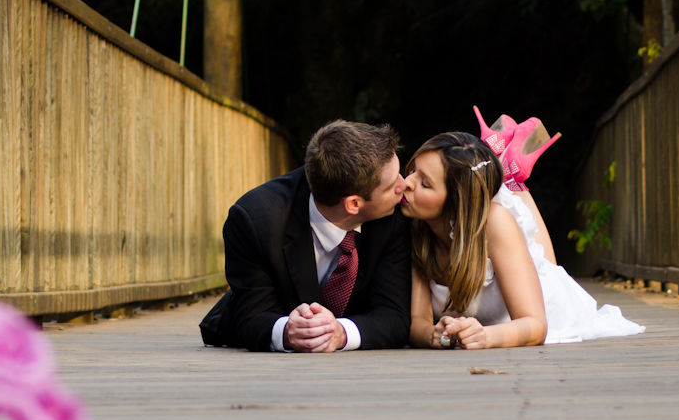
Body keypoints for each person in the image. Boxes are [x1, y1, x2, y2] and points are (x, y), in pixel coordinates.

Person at [401, 131, 644, 349]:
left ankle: (513, 179)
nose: (407, 183)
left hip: (546, 307)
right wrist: (433, 334)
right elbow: (418, 323)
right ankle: (506, 168)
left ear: (457, 203)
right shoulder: (416, 227)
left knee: (547, 270)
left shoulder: (494, 223)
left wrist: (485, 336)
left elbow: (537, 326)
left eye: (424, 183)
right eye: (412, 170)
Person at [200, 120, 411, 352]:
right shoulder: (254, 220)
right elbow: (252, 315)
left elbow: (393, 314)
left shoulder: (392, 214)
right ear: (353, 204)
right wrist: (287, 331)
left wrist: (340, 333)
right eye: (393, 184)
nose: (405, 184)